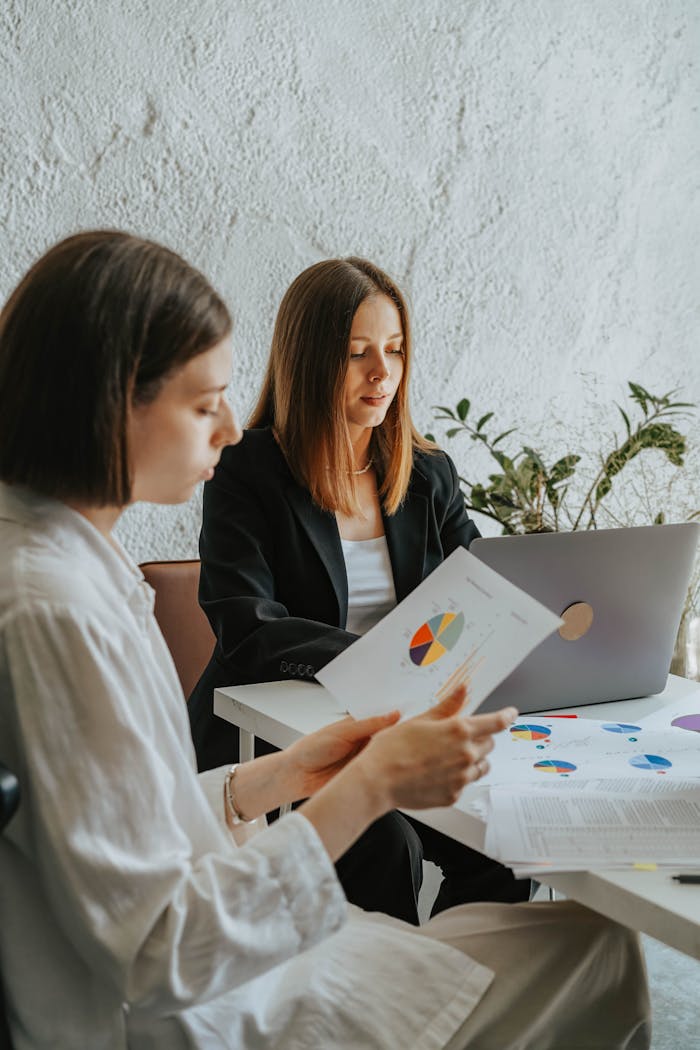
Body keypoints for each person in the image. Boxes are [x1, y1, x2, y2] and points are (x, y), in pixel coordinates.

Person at [0, 231, 651, 1050]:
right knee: (594, 954)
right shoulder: (55, 613)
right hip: (194, 1012)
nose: (231, 428)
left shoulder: (64, 572)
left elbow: (130, 837)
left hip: (210, 957)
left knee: (585, 939)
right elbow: (159, 950)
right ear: (109, 403)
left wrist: (274, 776)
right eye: (205, 404)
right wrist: (366, 787)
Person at [189, 257, 528, 923]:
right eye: (357, 354)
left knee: (504, 841)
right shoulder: (245, 469)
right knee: (385, 844)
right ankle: (385, 1008)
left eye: (396, 350)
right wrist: (387, 662)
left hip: (402, 721)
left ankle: (460, 995)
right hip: (276, 743)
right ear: (311, 360)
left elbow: (486, 591)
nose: (384, 373)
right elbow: (247, 625)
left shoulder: (428, 474)